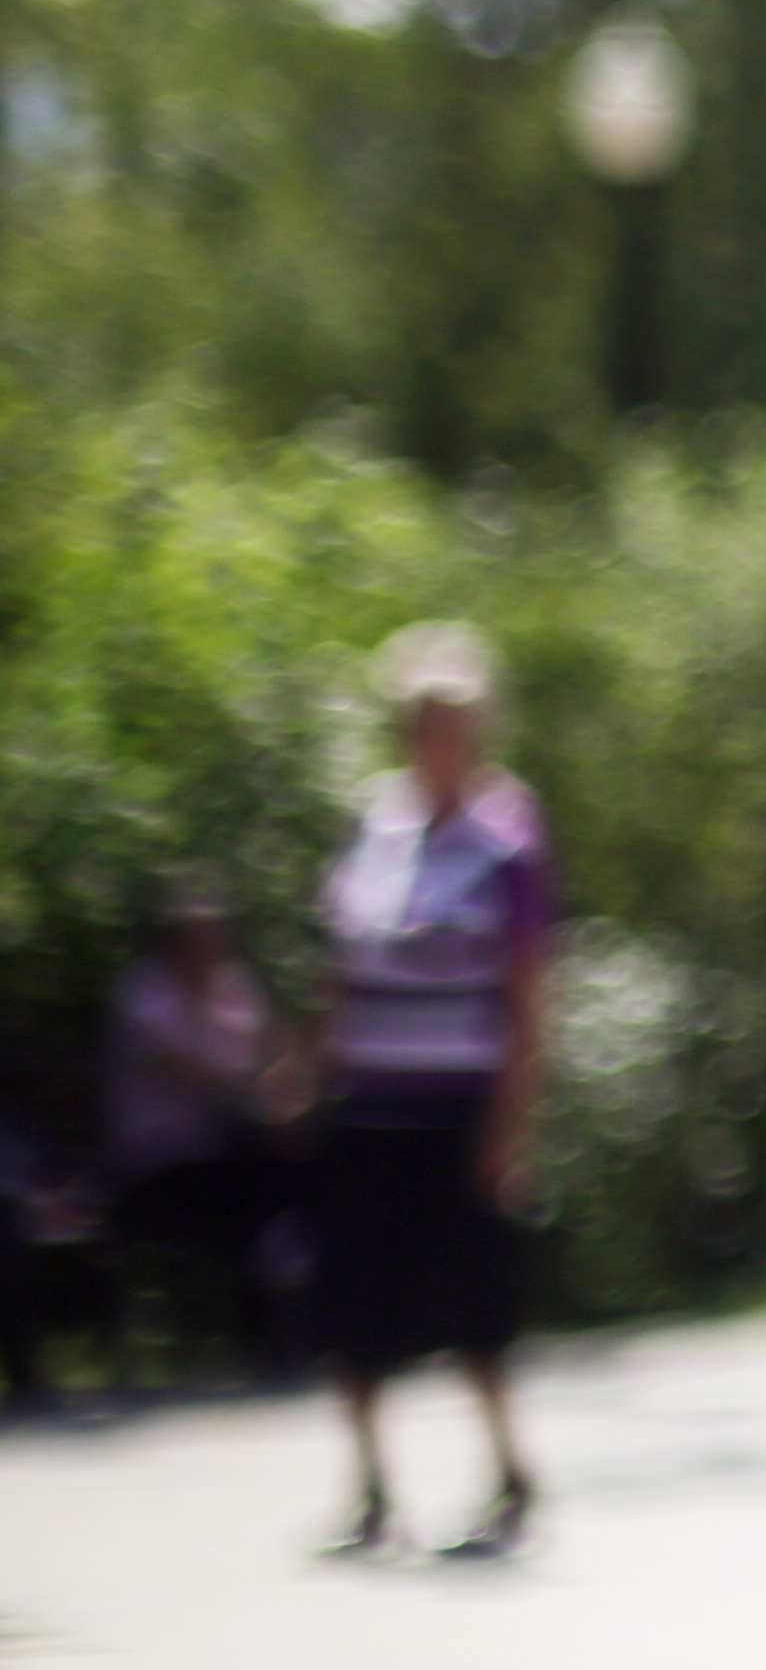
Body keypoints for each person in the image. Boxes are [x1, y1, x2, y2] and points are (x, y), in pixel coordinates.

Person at [304, 624, 559, 1561]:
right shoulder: (375, 824)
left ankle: (510, 1472)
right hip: (370, 1101)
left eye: (453, 719)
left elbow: (532, 990)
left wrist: (512, 1122)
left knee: (474, 1305)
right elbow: (337, 958)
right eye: (421, 719)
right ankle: (371, 1489)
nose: (436, 736)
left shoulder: (506, 837)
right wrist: (313, 1062)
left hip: (459, 1104)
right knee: (353, 1307)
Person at [104, 876, 294, 1382]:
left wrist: (282, 1087)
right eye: (201, 937)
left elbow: (272, 1050)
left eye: (219, 936)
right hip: (165, 1155)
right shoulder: (147, 994)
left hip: (235, 1147)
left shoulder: (235, 985)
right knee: (255, 1186)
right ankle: (264, 1324)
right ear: (176, 940)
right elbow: (184, 1074)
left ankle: (290, 1307)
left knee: (286, 1169)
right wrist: (253, 1091)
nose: (213, 948)